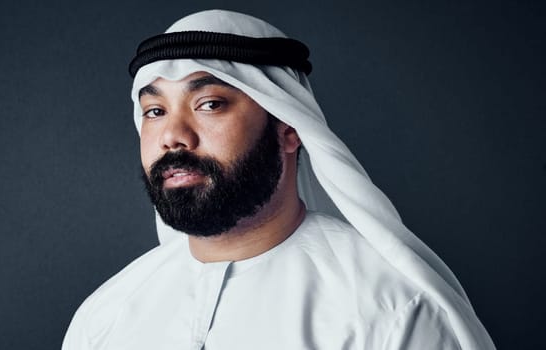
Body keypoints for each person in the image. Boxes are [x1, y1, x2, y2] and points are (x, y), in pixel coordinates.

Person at [62, 9, 495, 349]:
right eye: (155, 112)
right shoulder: (106, 315)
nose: (173, 135)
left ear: (288, 128)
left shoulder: (392, 310)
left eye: (209, 104)